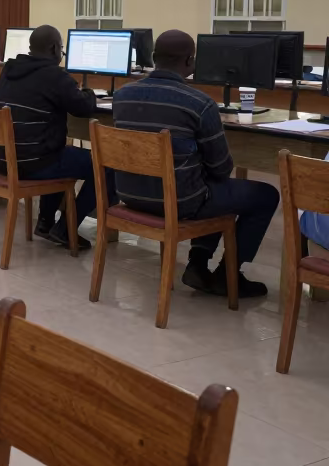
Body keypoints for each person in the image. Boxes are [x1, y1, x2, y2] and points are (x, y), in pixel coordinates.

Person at [112, 29, 276, 298]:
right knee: (264, 194)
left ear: (153, 58)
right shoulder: (199, 104)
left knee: (207, 185)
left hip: (130, 195)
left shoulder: (122, 96)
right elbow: (222, 168)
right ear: (190, 62)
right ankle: (227, 275)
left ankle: (199, 266)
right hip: (178, 202)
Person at [0, 24, 116, 249]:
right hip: (32, 162)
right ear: (53, 49)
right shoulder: (55, 76)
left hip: (2, 160)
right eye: (61, 49)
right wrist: (87, 93)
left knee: (57, 150)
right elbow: (82, 108)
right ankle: (67, 227)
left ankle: (46, 223)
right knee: (107, 167)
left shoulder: (8, 69)